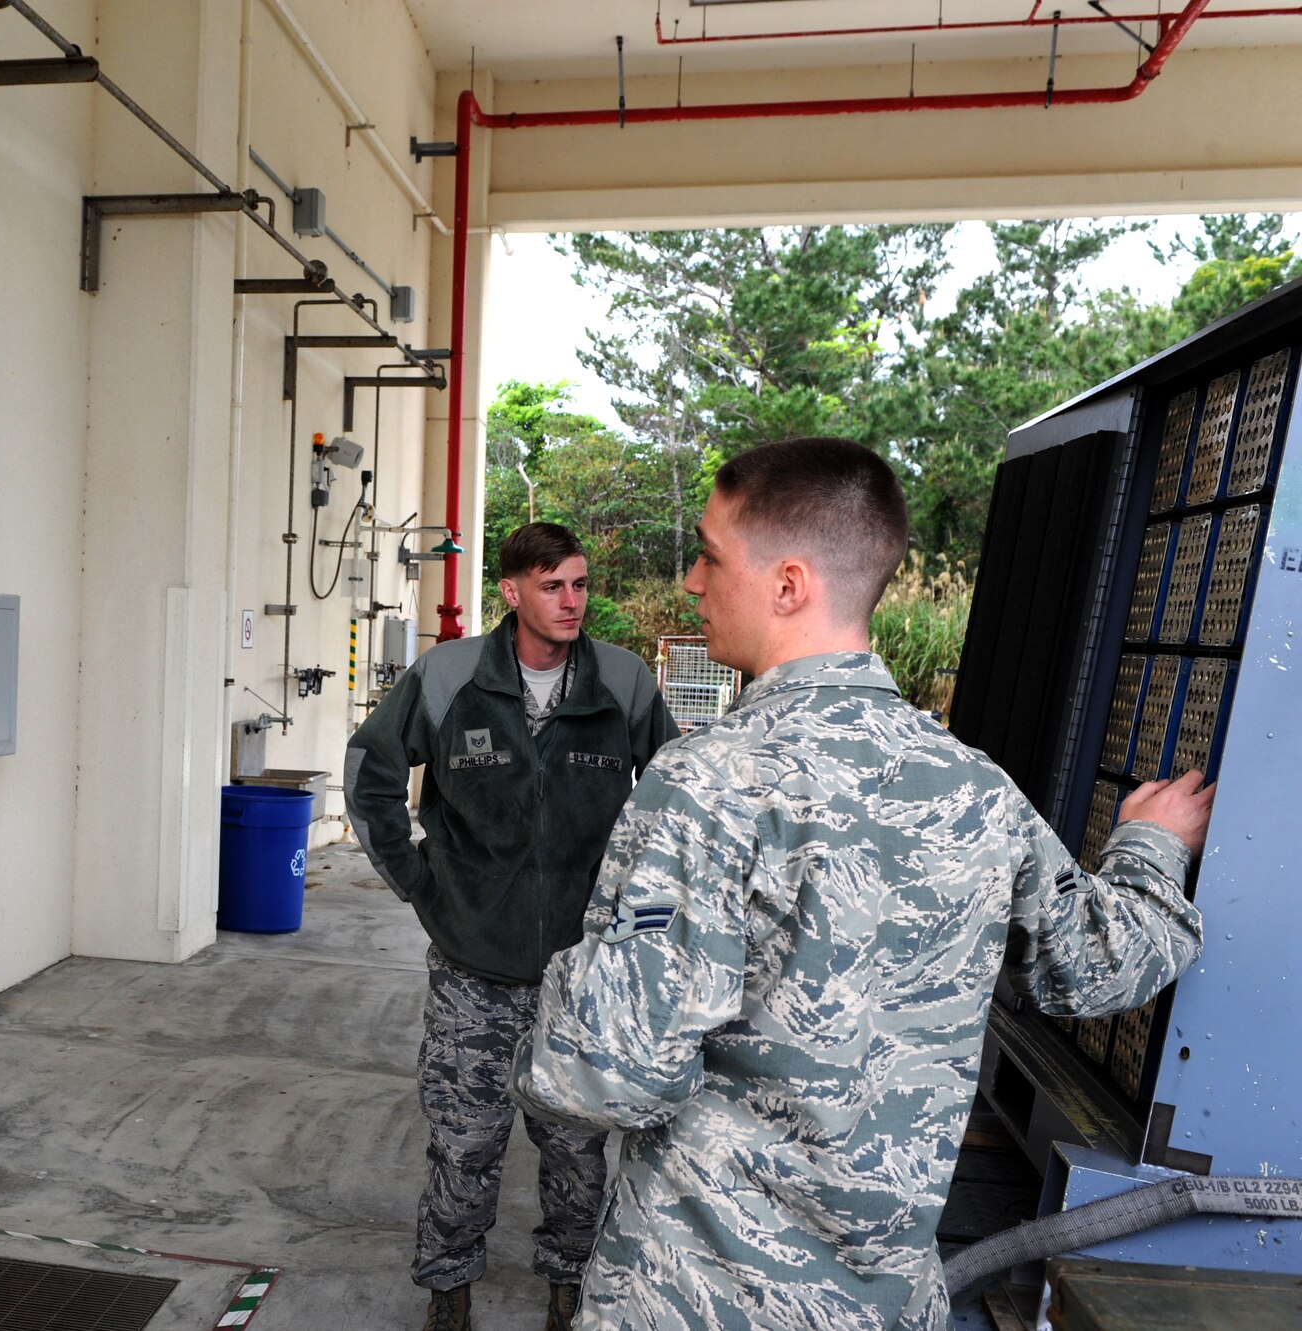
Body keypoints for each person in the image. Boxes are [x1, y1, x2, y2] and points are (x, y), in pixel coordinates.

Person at [512, 438, 1210, 1331]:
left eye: (710, 554)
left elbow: (605, 1074)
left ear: (789, 583)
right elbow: (1099, 969)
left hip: (693, 1296)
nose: (691, 580)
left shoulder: (712, 782)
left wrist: (573, 974)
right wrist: (1150, 848)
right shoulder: (975, 790)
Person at [346, 521, 679, 1331]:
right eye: (554, 584)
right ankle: (448, 1286)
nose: (573, 601)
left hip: (580, 975)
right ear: (511, 591)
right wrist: (421, 884)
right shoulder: (449, 676)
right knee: (464, 1144)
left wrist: (636, 923)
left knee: (576, 1152)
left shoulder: (624, 682)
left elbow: (674, 809)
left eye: (581, 584)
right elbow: (370, 775)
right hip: (472, 969)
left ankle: (571, 1282)